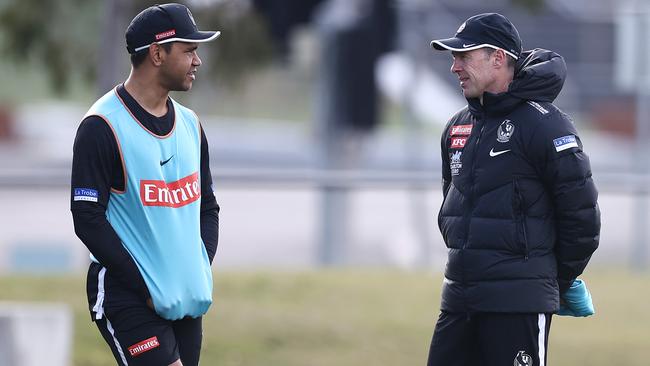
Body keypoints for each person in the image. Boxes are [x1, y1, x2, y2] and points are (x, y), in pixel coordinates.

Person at [427, 13, 600, 366]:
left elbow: (581, 218)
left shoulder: (546, 123)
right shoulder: (457, 127)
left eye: (464, 57)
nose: (454, 67)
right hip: (459, 300)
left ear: (498, 58)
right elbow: (452, 205)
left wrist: (554, 278)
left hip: (518, 304)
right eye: (453, 58)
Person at [70, 3, 221, 365]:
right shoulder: (101, 126)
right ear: (157, 53)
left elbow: (208, 208)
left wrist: (194, 268)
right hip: (128, 294)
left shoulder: (190, 124)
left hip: (182, 295)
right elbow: (87, 218)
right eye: (189, 50)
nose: (197, 61)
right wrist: (146, 287)